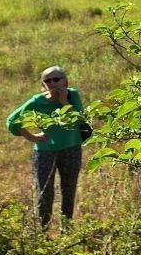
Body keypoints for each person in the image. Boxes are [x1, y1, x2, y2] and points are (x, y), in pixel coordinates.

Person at [6, 65, 86, 229]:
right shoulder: (38, 101)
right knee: (44, 193)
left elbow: (80, 121)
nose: (52, 83)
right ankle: (43, 232)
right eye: (47, 81)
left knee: (68, 191)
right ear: (43, 85)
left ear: (65, 81)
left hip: (71, 149)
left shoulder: (73, 95)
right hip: (44, 152)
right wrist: (31, 136)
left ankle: (67, 230)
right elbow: (12, 121)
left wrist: (64, 103)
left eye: (56, 79)